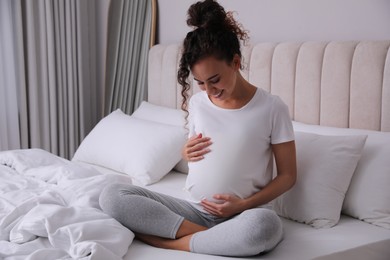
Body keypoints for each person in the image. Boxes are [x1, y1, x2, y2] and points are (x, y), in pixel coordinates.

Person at [99, 0, 297, 257]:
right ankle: (207, 238)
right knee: (112, 194)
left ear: (235, 62)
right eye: (201, 82)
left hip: (245, 213)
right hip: (196, 211)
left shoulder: (272, 107)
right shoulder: (198, 103)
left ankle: (172, 241)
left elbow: (288, 176)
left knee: (263, 228)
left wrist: (244, 204)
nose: (209, 90)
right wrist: (185, 152)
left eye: (215, 80)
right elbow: (201, 153)